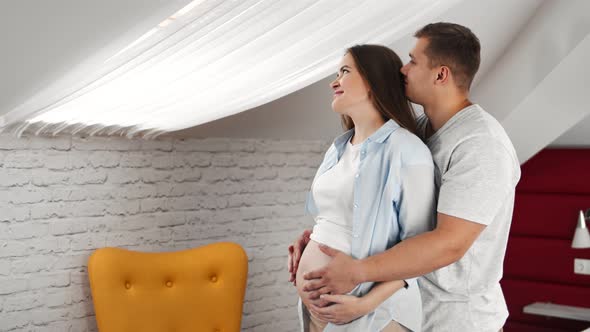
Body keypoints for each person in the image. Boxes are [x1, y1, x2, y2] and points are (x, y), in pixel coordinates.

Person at [290, 23, 521, 332]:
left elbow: (448, 244)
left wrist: (357, 272)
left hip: (455, 318)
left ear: (440, 75)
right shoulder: (420, 130)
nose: (403, 69)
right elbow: (385, 215)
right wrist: (324, 237)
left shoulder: (481, 144)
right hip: (406, 305)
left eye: (413, 60)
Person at [290, 44, 436, 332]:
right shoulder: (338, 149)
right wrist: (309, 241)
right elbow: (332, 218)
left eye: (344, 71)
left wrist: (364, 304)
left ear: (373, 81)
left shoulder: (407, 151)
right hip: (319, 312)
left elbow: (423, 250)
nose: (334, 82)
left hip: (376, 314)